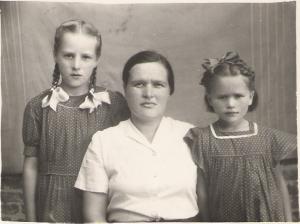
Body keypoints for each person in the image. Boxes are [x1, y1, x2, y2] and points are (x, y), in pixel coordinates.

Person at [22, 19, 130, 223]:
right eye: (68, 55)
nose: (76, 65)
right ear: (55, 55)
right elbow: (31, 165)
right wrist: (30, 218)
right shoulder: (38, 106)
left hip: (97, 198)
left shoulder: (112, 104)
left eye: (86, 57)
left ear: (97, 59)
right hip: (52, 200)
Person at [75, 50, 200, 222]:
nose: (149, 93)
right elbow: (94, 217)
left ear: (170, 89)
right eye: (139, 84)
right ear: (125, 89)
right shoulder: (103, 142)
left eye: (158, 84)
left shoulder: (191, 136)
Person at [184, 51, 297, 222]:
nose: (231, 104)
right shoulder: (203, 139)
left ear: (250, 97)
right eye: (222, 97)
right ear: (210, 99)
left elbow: (279, 184)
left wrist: (289, 220)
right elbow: (203, 192)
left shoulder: (267, 137)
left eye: (238, 96)